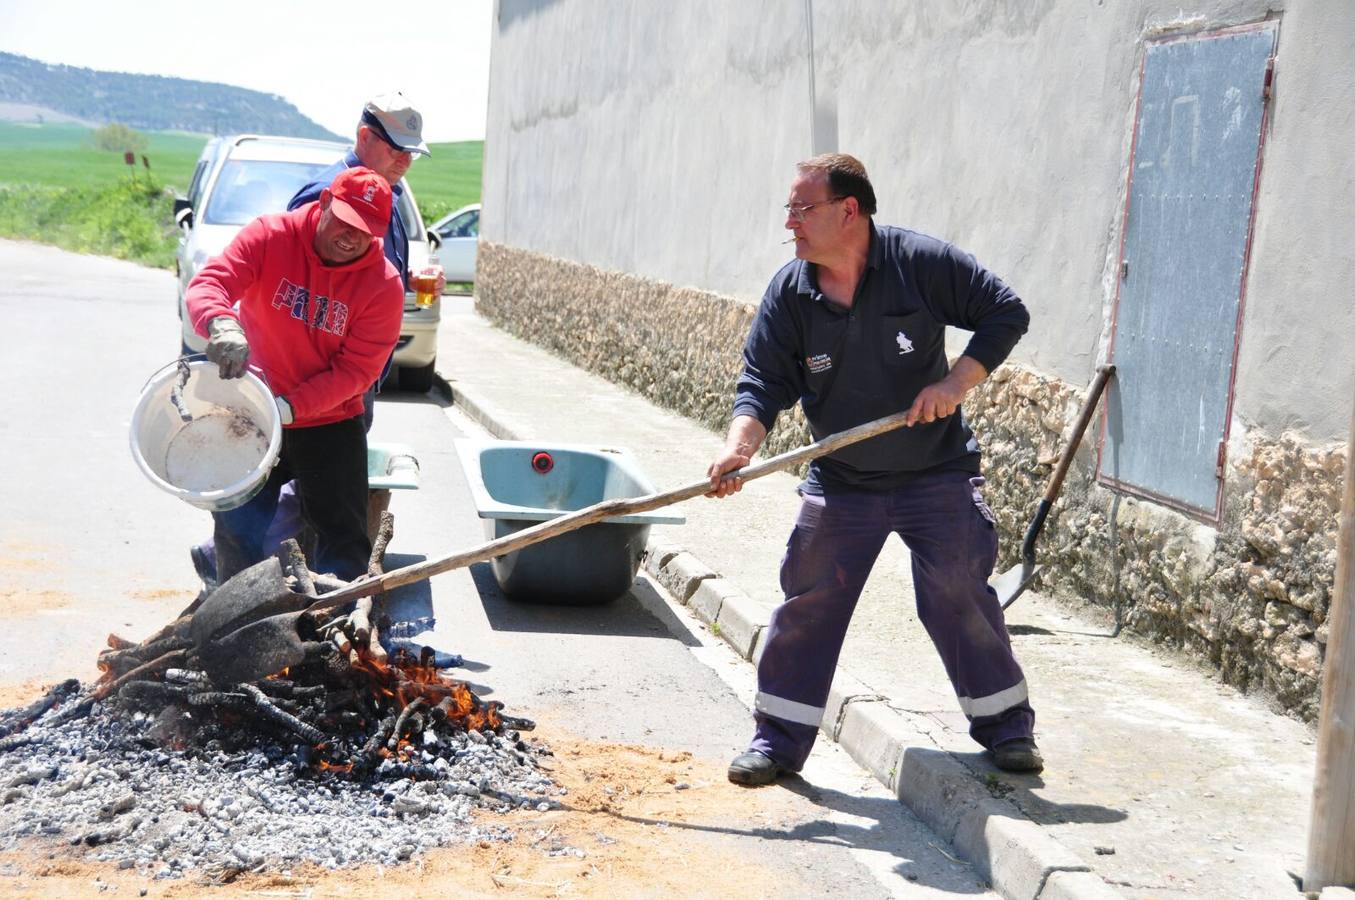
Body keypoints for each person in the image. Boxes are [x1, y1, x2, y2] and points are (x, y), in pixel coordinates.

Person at [707, 153, 1039, 785]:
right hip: (842, 479)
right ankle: (777, 742)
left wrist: (955, 382)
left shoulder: (920, 265)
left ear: (848, 211)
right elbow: (762, 382)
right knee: (809, 602)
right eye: (790, 210)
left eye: (802, 209)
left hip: (935, 471)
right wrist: (740, 447)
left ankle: (1006, 728)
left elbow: (1005, 311)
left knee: (957, 594)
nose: (790, 223)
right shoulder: (792, 291)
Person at [189, 92, 442, 587]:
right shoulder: (271, 236)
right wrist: (220, 322)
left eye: (365, 232)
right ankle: (233, 617)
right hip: (254, 409)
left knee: (343, 539)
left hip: (329, 418)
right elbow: (211, 283)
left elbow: (357, 373)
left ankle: (338, 632)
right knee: (238, 527)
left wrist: (293, 409)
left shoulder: (383, 285)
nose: (351, 238)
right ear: (325, 202)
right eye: (344, 223)